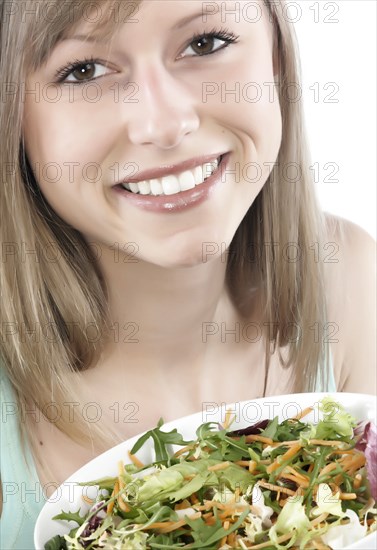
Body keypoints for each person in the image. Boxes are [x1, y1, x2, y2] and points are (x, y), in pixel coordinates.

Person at [0, 0, 375, 548]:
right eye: (83, 71)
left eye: (206, 44)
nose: (166, 124)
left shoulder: (349, 276)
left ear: (276, 55)